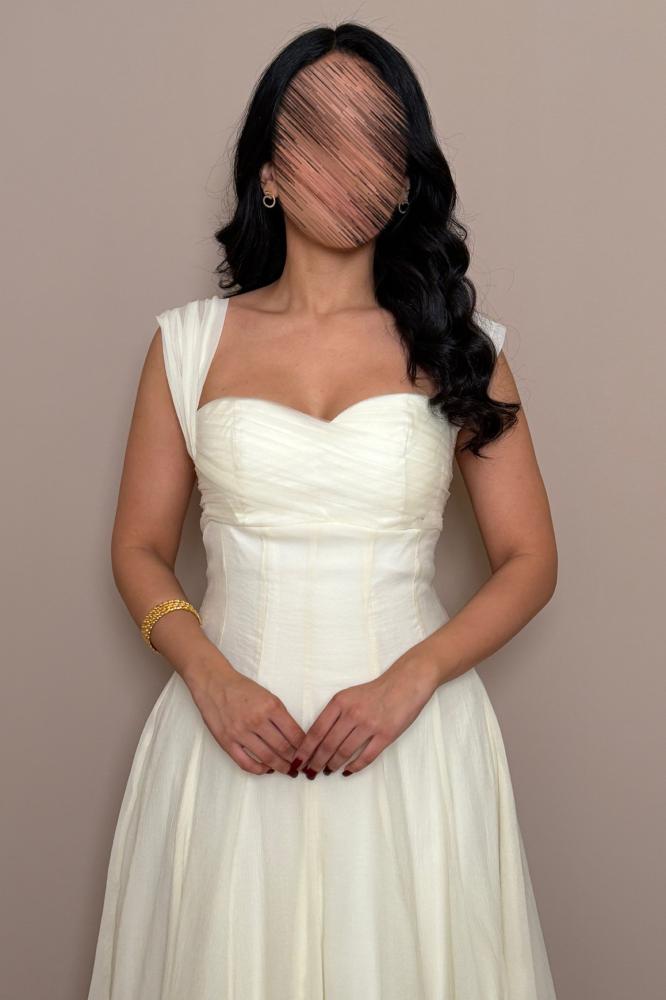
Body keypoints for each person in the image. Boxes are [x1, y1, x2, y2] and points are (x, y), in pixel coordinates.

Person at [87, 22, 559, 1000]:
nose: (350, 161)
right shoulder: (186, 343)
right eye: (318, 132)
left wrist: (410, 679)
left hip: (412, 741)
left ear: (407, 175)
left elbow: (529, 559)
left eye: (378, 136)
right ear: (267, 168)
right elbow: (137, 547)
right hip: (227, 739)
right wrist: (211, 678)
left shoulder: (465, 348)